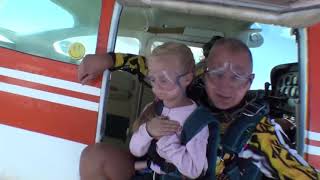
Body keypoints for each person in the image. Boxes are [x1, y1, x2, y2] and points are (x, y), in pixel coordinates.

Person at [79, 38, 320, 180]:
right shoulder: (188, 85)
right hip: (157, 172)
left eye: (237, 76)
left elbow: (301, 173)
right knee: (95, 158)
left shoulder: (262, 132)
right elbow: (153, 68)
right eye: (217, 73)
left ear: (250, 81)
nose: (225, 86)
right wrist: (110, 60)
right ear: (201, 73)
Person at [129, 42, 215, 179]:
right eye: (152, 79)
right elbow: (136, 150)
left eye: (163, 80)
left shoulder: (196, 121)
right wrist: (148, 130)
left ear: (186, 79)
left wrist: (165, 139)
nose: (155, 87)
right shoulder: (153, 108)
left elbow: (193, 170)